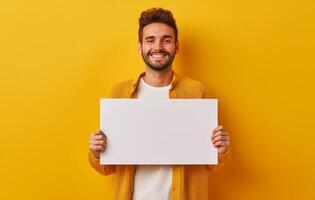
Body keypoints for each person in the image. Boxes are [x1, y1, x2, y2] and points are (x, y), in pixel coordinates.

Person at [88, 7, 231, 200]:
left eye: (166, 40)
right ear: (140, 47)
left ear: (176, 46)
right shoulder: (119, 94)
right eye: (150, 40)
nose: (158, 47)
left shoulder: (197, 92)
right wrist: (97, 152)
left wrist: (221, 150)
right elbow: (107, 167)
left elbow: (209, 163)